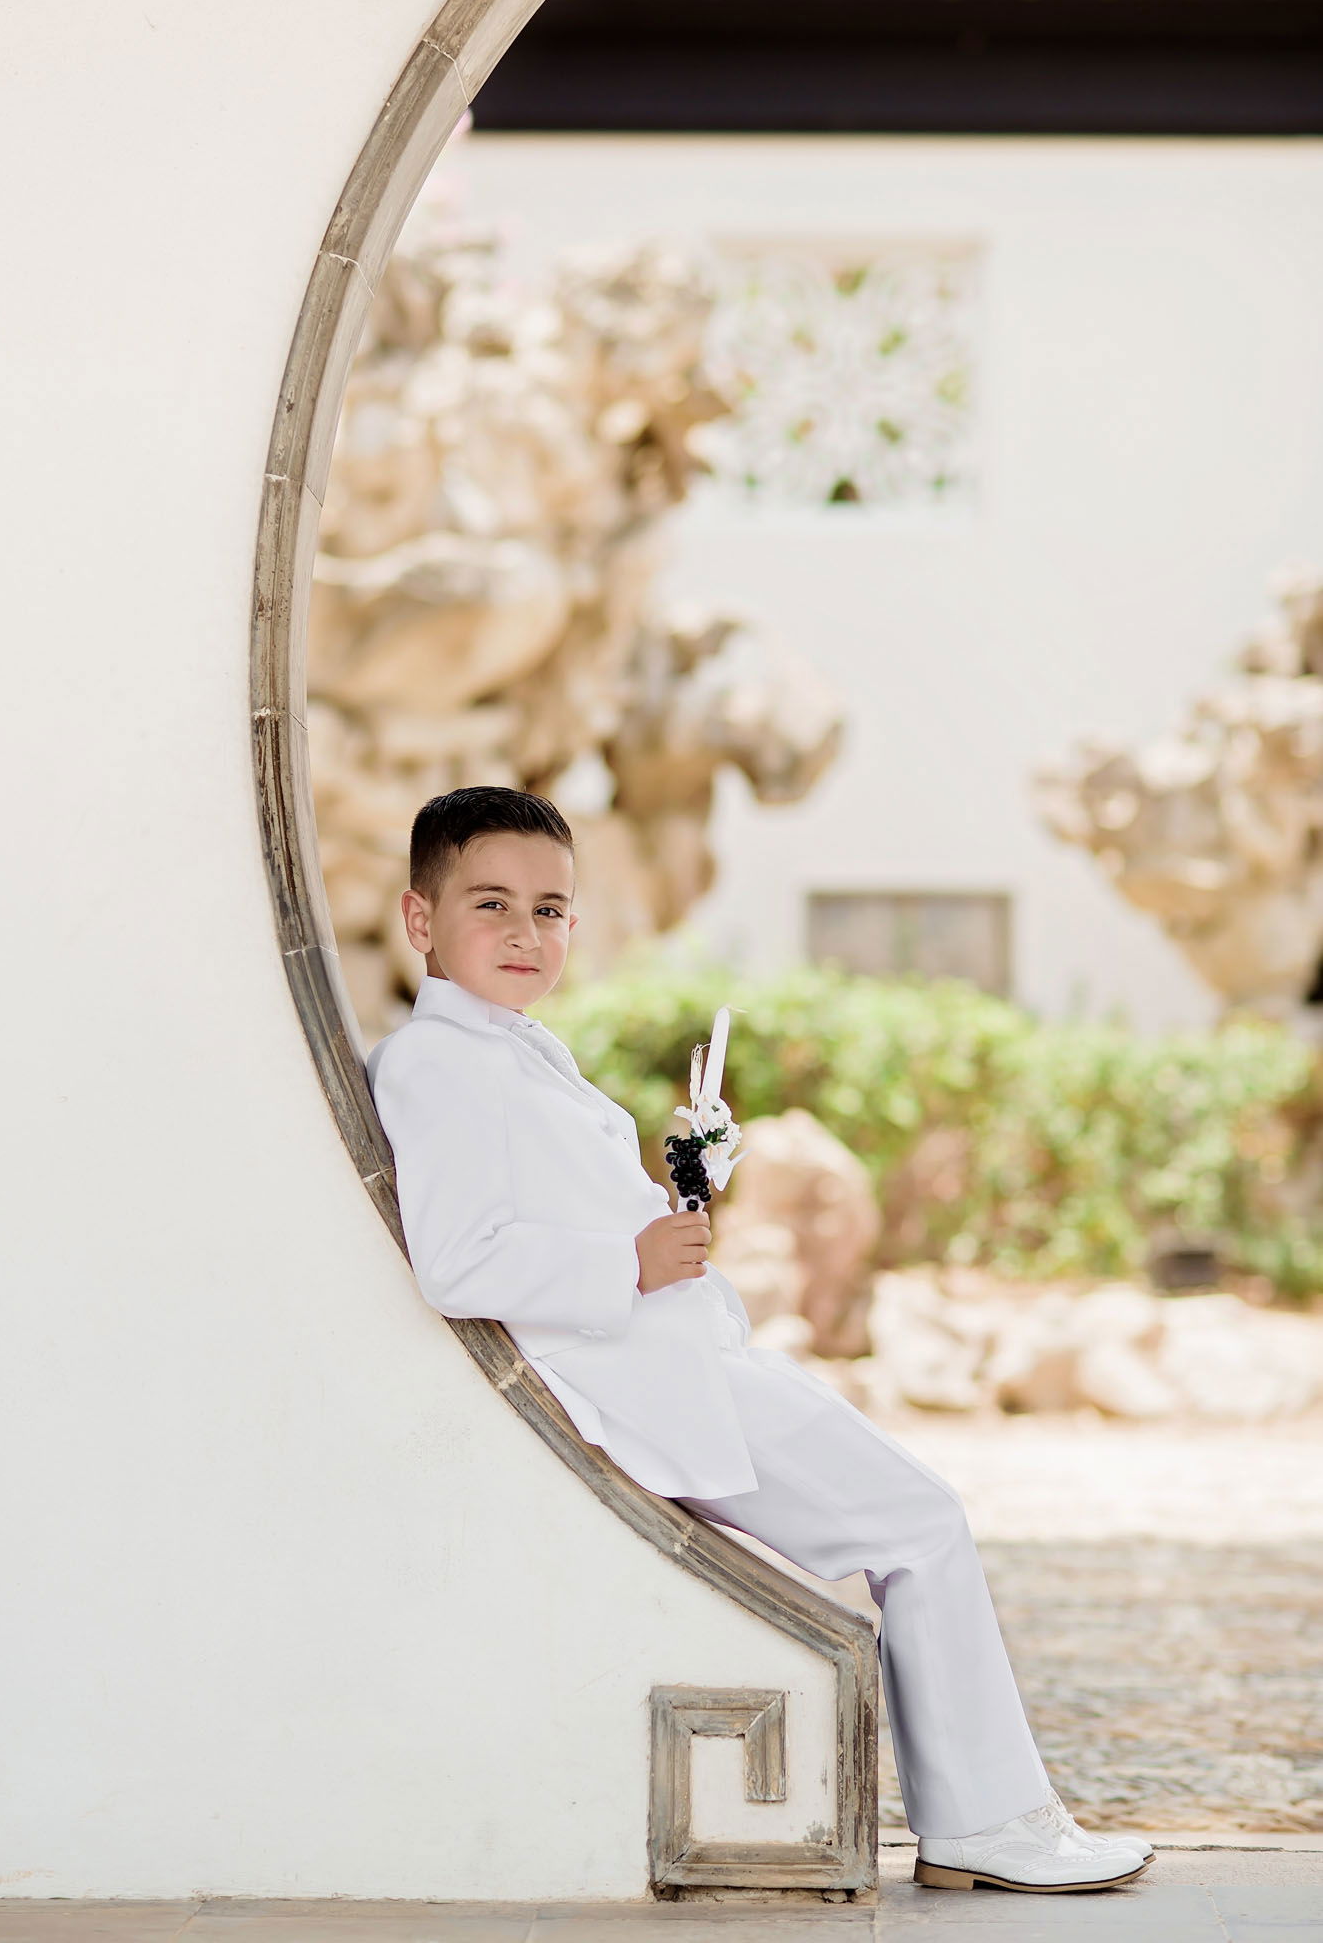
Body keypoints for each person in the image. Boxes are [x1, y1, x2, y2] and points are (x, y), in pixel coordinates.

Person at [367, 786, 1154, 1895]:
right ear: (419, 918)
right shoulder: (438, 1063)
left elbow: (573, 1210)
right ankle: (989, 1821)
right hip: (641, 1381)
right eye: (489, 903)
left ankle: (991, 1815)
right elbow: (456, 1257)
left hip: (679, 1360)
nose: (524, 932)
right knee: (923, 1520)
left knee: (919, 1518)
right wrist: (628, 1263)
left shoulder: (511, 1050)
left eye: (550, 909)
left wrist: (690, 1175)